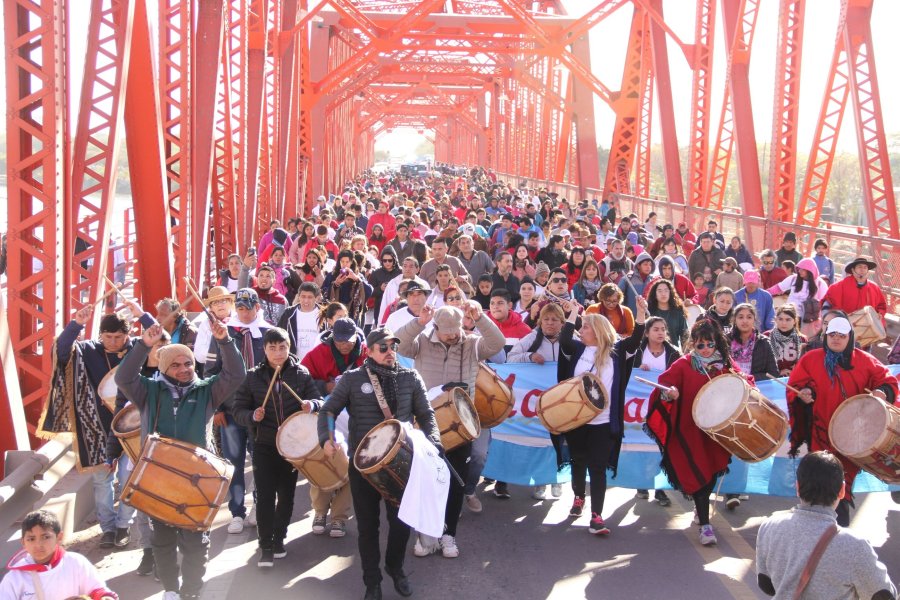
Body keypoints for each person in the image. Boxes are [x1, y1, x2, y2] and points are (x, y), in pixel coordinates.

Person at [115, 318, 245, 600]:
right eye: (175, 365)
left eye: (187, 363)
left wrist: (225, 341)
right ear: (163, 367)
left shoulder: (207, 390)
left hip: (196, 479)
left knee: (196, 542)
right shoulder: (149, 391)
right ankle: (171, 590)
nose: (184, 369)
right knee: (161, 540)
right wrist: (143, 345)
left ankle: (191, 590)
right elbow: (123, 378)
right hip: (158, 477)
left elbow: (236, 375)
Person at [317, 328, 441, 600]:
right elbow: (328, 409)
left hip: (402, 464)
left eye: (392, 347)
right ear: (369, 351)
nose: (389, 352)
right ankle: (371, 581)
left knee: (401, 523)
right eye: (382, 348)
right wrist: (326, 439)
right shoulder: (352, 379)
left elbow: (426, 413)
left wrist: (434, 441)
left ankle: (395, 568)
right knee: (367, 527)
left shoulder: (410, 377)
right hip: (363, 468)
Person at [38, 304, 154, 548]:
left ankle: (124, 525)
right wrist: (76, 324)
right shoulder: (88, 349)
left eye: (118, 337)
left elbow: (160, 337)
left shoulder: (137, 348)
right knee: (102, 482)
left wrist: (141, 314)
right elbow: (60, 353)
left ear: (128, 334)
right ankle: (108, 529)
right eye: (108, 337)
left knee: (128, 476)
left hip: (132, 426)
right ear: (100, 335)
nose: (113, 342)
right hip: (96, 427)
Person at [397, 302, 505, 557]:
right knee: (425, 479)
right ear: (436, 327)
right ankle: (425, 537)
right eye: (447, 332)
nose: (453, 335)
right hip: (426, 419)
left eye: (456, 330)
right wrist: (418, 322)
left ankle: (449, 535)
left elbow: (497, 343)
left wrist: (480, 319)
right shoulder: (422, 340)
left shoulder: (470, 342)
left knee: (455, 480)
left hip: (461, 419)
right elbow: (400, 344)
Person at [645, 318, 755, 546]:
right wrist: (669, 393)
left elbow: (748, 385)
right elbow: (662, 388)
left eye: (709, 344)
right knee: (700, 474)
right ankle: (705, 525)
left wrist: (743, 382)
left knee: (711, 473)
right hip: (690, 430)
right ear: (692, 344)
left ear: (718, 344)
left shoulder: (725, 365)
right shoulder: (684, 365)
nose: (705, 349)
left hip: (718, 433)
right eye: (699, 345)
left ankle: (700, 508)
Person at [786, 315, 898, 526]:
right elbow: (797, 385)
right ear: (826, 336)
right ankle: (816, 533)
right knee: (819, 486)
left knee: (841, 491)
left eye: (841, 336)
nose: (836, 339)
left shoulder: (865, 361)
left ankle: (836, 535)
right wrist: (805, 393)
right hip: (820, 434)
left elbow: (888, 381)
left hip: (852, 439)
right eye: (832, 335)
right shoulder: (811, 359)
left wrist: (882, 392)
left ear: (850, 337)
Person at [230, 327, 326, 567]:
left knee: (287, 495)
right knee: (264, 497)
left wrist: (311, 405)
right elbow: (237, 411)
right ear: (264, 350)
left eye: (282, 347)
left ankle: (279, 538)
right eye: (272, 348)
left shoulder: (301, 374)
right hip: (264, 445)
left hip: (293, 448)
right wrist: (253, 415)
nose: (278, 352)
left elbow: (320, 401)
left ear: (289, 348)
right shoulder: (253, 376)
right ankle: (265, 545)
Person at [558, 296, 648, 534]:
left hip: (604, 421)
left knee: (597, 467)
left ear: (598, 330)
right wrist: (572, 314)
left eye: (586, 326)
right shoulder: (578, 349)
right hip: (577, 419)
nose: (581, 329)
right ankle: (579, 497)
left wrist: (640, 313)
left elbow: (637, 338)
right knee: (578, 460)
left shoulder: (617, 352)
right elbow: (564, 338)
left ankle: (597, 516)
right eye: (582, 325)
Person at [756, 451, 897, 599]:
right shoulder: (854, 545)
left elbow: (766, 584)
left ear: (797, 487)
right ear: (842, 490)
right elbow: (883, 595)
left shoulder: (769, 527)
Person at [207, 288, 271, 534]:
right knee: (233, 463)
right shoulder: (224, 333)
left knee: (260, 462)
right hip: (231, 411)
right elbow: (213, 373)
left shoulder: (267, 333)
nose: (244, 313)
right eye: (241, 308)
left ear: (257, 308)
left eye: (249, 308)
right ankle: (236, 511)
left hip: (260, 413)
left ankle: (258, 504)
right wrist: (217, 408)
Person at [0, 510, 118, 599]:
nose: (38, 544)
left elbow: (97, 589)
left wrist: (104, 596)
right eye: (31, 539)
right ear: (23, 543)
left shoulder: (76, 563)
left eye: (45, 537)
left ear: (59, 537)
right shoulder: (14, 578)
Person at [633, 316, 681, 506]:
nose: (660, 332)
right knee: (641, 444)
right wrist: (636, 368)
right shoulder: (636, 351)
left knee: (662, 445)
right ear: (646, 333)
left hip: (663, 406)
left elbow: (678, 377)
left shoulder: (674, 353)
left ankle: (661, 488)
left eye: (663, 329)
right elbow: (624, 372)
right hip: (637, 406)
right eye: (656, 329)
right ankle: (642, 484)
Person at [765, 257, 828, 337]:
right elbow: (778, 288)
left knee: (802, 341)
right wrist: (764, 293)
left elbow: (825, 301)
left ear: (810, 270)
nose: (799, 271)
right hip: (789, 316)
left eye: (802, 269)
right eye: (799, 269)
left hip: (808, 321)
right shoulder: (793, 279)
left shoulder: (820, 284)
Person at [822, 255, 887, 323]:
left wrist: (880, 313)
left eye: (865, 267)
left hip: (867, 327)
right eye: (859, 267)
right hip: (843, 327)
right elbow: (827, 303)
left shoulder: (874, 288)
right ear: (853, 270)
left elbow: (881, 306)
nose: (862, 269)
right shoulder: (838, 286)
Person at [239, 259, 289, 325]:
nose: (264, 278)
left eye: (268, 276)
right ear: (257, 279)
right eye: (261, 275)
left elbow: (286, 322)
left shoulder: (282, 300)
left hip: (275, 333)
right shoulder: (250, 295)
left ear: (274, 281)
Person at [646, 278, 688, 350]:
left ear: (670, 293)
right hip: (652, 352)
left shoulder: (678, 311)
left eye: (666, 291)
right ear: (655, 294)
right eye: (660, 291)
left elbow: (684, 336)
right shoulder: (649, 311)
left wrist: (685, 354)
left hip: (673, 353)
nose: (663, 294)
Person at [767, 304, 807, 376]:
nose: (784, 323)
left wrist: (795, 371)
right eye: (780, 319)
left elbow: (805, 365)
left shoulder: (802, 339)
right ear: (776, 319)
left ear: (794, 321)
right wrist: (778, 372)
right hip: (772, 379)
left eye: (788, 319)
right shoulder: (767, 337)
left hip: (794, 379)